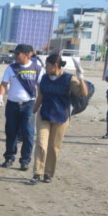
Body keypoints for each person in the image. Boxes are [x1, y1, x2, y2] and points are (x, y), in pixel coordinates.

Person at [30, 54, 88, 183]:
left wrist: (81, 78)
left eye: (47, 65)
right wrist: (33, 113)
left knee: (54, 147)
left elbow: (83, 93)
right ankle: (37, 173)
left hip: (61, 117)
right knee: (41, 144)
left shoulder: (68, 79)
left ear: (55, 66)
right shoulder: (44, 78)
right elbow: (40, 96)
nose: (45, 67)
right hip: (44, 115)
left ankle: (48, 174)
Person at [0, 44, 43, 170]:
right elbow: (3, 84)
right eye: (15, 54)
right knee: (11, 132)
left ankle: (25, 160)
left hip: (29, 104)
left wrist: (39, 104)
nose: (15, 56)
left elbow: (41, 88)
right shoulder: (11, 68)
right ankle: (9, 157)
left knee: (28, 133)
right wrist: (0, 97)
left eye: (18, 54)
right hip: (12, 104)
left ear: (28, 54)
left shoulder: (37, 68)